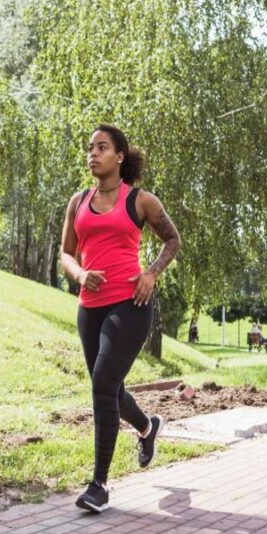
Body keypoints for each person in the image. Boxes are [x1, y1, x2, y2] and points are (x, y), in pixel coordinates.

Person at [60, 124, 182, 513]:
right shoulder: (78, 201)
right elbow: (65, 254)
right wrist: (80, 275)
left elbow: (173, 239)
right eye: (90, 148)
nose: (92, 154)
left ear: (119, 156)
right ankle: (147, 428)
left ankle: (99, 485)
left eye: (102, 147)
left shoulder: (140, 201)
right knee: (109, 388)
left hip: (130, 304)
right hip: (89, 307)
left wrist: (152, 273)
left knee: (103, 382)